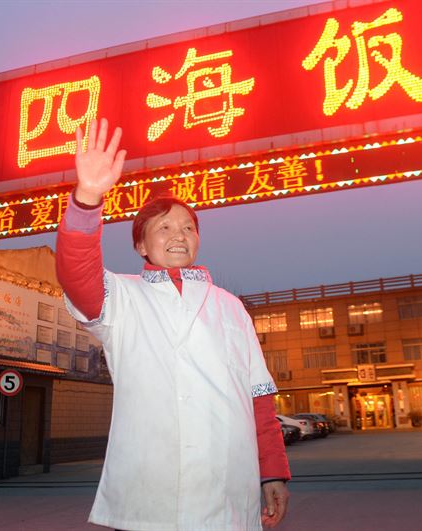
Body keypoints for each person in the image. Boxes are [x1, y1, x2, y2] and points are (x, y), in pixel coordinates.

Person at [56, 118, 290, 531]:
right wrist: (88, 198)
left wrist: (272, 472)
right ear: (141, 245)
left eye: (187, 228)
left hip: (226, 493)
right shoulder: (121, 297)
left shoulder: (231, 307)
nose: (178, 235)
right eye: (163, 228)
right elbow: (77, 275)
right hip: (148, 495)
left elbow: (259, 400)